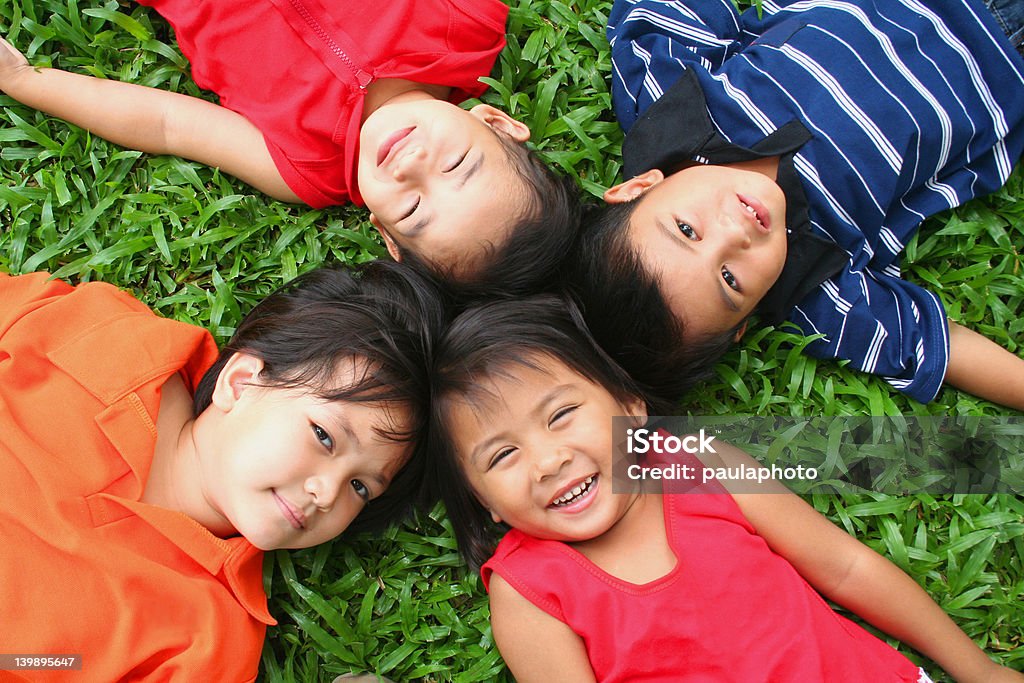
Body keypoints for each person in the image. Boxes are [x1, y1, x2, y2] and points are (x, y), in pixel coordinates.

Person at [426, 295, 1023, 682]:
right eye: (502, 455)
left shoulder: (701, 463)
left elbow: (845, 569)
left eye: (560, 415)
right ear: (483, 501)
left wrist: (977, 670)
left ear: (631, 408)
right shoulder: (529, 589)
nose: (548, 460)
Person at [0, 261, 444, 681]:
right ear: (242, 382)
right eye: (325, 436)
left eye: (360, 487)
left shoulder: (210, 643)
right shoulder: (110, 341)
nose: (328, 494)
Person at [570, 0, 1024, 410]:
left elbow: (668, 12)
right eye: (729, 279)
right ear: (744, 322)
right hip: (1003, 62)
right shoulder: (814, 288)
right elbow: (925, 344)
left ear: (637, 188)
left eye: (688, 230)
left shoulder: (666, 103)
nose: (735, 234)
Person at [0, 0, 580, 287]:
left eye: (412, 209)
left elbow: (167, 124)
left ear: (384, 231)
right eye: (458, 164)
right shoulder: (468, 23)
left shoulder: (305, 169)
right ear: (498, 122)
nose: (412, 169)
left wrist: (25, 82)